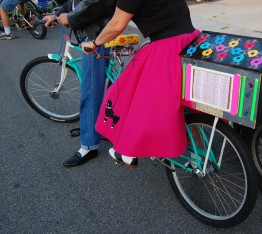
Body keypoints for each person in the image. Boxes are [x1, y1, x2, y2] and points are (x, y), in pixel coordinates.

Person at [82, 0, 200, 168]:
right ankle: (198, 157)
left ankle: (128, 151)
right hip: (191, 39)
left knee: (129, 91)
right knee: (183, 104)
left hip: (168, 46)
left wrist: (94, 44)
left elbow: (117, 25)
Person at [43, 0, 116, 167]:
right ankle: (105, 127)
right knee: (106, 84)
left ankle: (89, 145)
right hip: (98, 32)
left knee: (91, 91)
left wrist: (70, 17)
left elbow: (96, 3)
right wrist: (58, 14)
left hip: (95, 36)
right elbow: (77, 2)